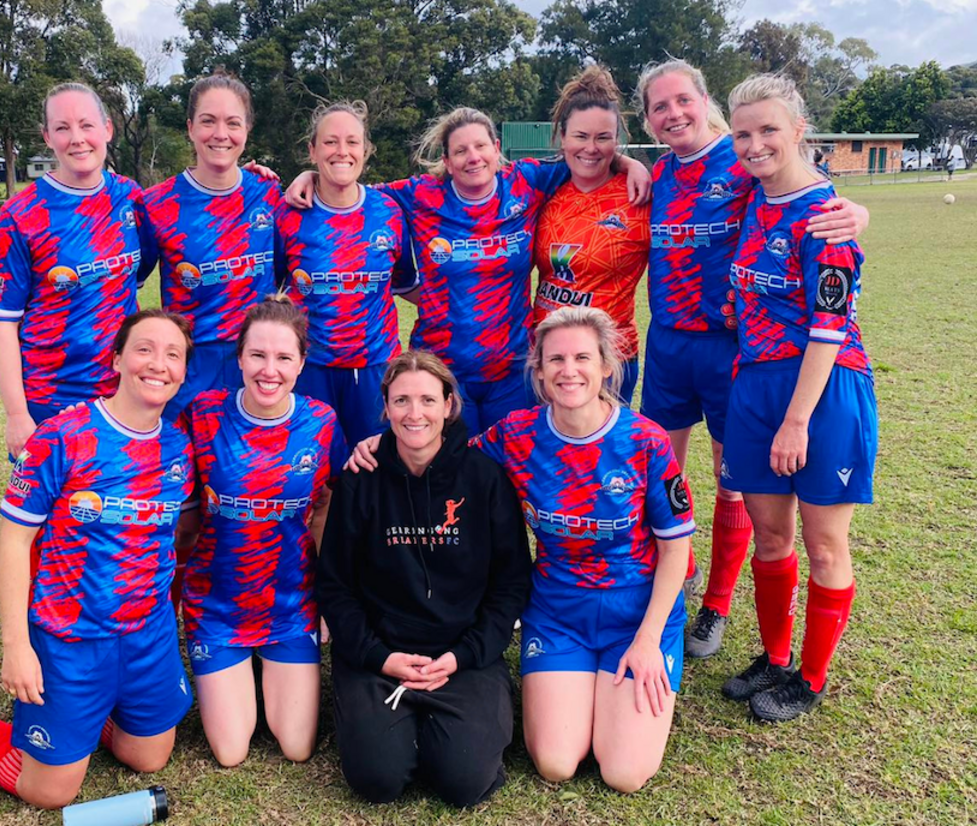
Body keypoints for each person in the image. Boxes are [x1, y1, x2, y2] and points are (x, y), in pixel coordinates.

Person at [634, 59, 870, 658]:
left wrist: (854, 213)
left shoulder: (741, 164)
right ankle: (670, 592)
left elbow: (806, 191)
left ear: (703, 98)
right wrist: (624, 161)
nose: (674, 114)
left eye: (682, 100)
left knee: (734, 484)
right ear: (648, 120)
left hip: (734, 349)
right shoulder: (657, 173)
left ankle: (716, 605)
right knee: (661, 476)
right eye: (659, 107)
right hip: (667, 341)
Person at [0, 309, 197, 809]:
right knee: (49, 794)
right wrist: (16, 645)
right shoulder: (63, 436)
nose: (158, 364)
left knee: (149, 759)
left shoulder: (178, 448)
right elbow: (14, 542)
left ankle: (91, 713)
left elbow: (179, 538)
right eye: (144, 349)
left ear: (185, 372)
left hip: (148, 634)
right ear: (117, 358)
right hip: (70, 638)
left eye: (173, 355)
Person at [286, 107, 653, 433]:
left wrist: (628, 162)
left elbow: (585, 157)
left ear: (497, 148)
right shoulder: (419, 195)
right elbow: (351, 186)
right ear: (447, 161)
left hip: (512, 370)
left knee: (507, 475)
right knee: (449, 477)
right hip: (443, 370)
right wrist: (309, 176)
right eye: (460, 151)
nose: (472, 157)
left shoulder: (527, 182)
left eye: (481, 146)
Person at [472, 307, 693, 791]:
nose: (568, 370)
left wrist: (648, 639)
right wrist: (375, 451)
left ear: (606, 366)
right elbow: (452, 465)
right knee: (555, 763)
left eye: (581, 358)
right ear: (539, 370)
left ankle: (622, 680)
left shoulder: (645, 442)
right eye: (555, 360)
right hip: (557, 612)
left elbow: (676, 550)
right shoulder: (517, 434)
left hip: (635, 614)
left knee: (624, 773)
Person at [719, 74, 877, 723]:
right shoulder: (753, 197)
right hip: (754, 382)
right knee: (770, 534)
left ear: (800, 132)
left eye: (768, 131)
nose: (754, 144)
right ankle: (776, 658)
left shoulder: (826, 217)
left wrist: (796, 420)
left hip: (821, 388)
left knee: (822, 543)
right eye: (743, 132)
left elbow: (828, 324)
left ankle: (809, 679)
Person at [317, 350, 532, 807]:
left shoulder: (484, 478)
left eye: (428, 400)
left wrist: (464, 655)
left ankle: (462, 721)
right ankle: (386, 725)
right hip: (380, 654)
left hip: (460, 655)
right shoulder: (362, 477)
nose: (415, 414)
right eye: (401, 401)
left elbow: (511, 584)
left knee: (464, 782)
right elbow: (335, 584)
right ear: (386, 407)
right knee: (377, 781)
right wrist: (379, 656)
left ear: (450, 404)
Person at [180, 294, 346, 766]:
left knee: (296, 746)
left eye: (283, 357)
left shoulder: (321, 421)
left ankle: (270, 669)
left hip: (290, 606)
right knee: (231, 752)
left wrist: (329, 598)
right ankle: (233, 672)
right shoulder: (205, 415)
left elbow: (327, 505)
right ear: (239, 357)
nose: (268, 369)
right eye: (257, 355)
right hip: (218, 607)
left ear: (301, 363)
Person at [0, 82, 155, 459]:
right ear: (48, 137)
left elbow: (133, 280)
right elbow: (2, 321)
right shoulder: (21, 215)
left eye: (86, 125)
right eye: (62, 128)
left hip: (122, 390)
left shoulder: (131, 197)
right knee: (55, 513)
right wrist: (16, 414)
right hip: (51, 397)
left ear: (108, 129)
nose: (77, 139)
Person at [274, 101, 417, 447]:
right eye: (330, 142)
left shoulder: (389, 212)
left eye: (352, 142)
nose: (342, 151)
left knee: (376, 471)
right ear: (312, 150)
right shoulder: (289, 213)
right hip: (310, 368)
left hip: (375, 368)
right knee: (313, 472)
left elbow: (405, 283)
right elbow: (275, 288)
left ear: (366, 150)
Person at [141, 71, 283, 416]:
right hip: (188, 373)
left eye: (233, 123)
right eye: (208, 121)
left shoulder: (270, 194)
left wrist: (309, 176)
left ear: (247, 130)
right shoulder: (156, 204)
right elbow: (123, 286)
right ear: (190, 127)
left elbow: (286, 270)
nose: (221, 134)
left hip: (257, 369)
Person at [533, 66, 649, 406]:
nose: (592, 148)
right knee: (545, 454)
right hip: (546, 355)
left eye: (603, 138)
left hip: (609, 359)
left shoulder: (640, 195)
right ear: (561, 138)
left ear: (617, 140)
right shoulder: (542, 190)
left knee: (601, 456)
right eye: (581, 137)